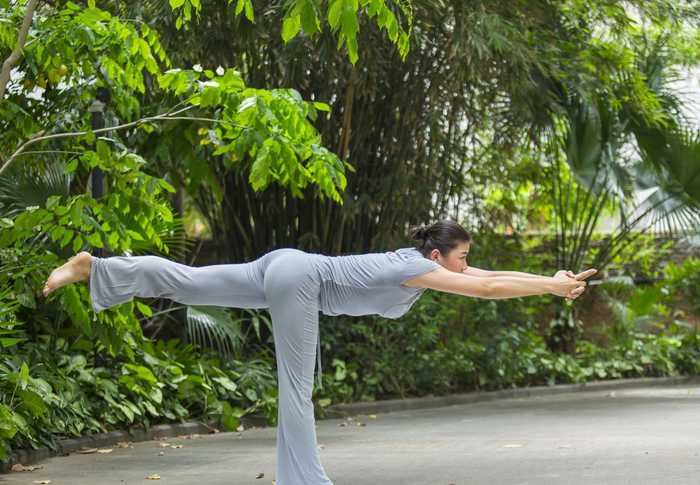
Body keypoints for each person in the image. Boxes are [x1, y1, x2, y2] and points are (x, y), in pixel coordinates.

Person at [41, 219, 595, 485]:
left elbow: (489, 276)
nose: (466, 265)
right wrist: (547, 288)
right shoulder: (416, 267)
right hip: (301, 279)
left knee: (188, 282)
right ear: (435, 254)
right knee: (297, 386)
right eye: (460, 257)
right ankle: (305, 482)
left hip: (285, 266)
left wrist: (551, 280)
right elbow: (488, 288)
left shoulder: (427, 265)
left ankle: (98, 267)